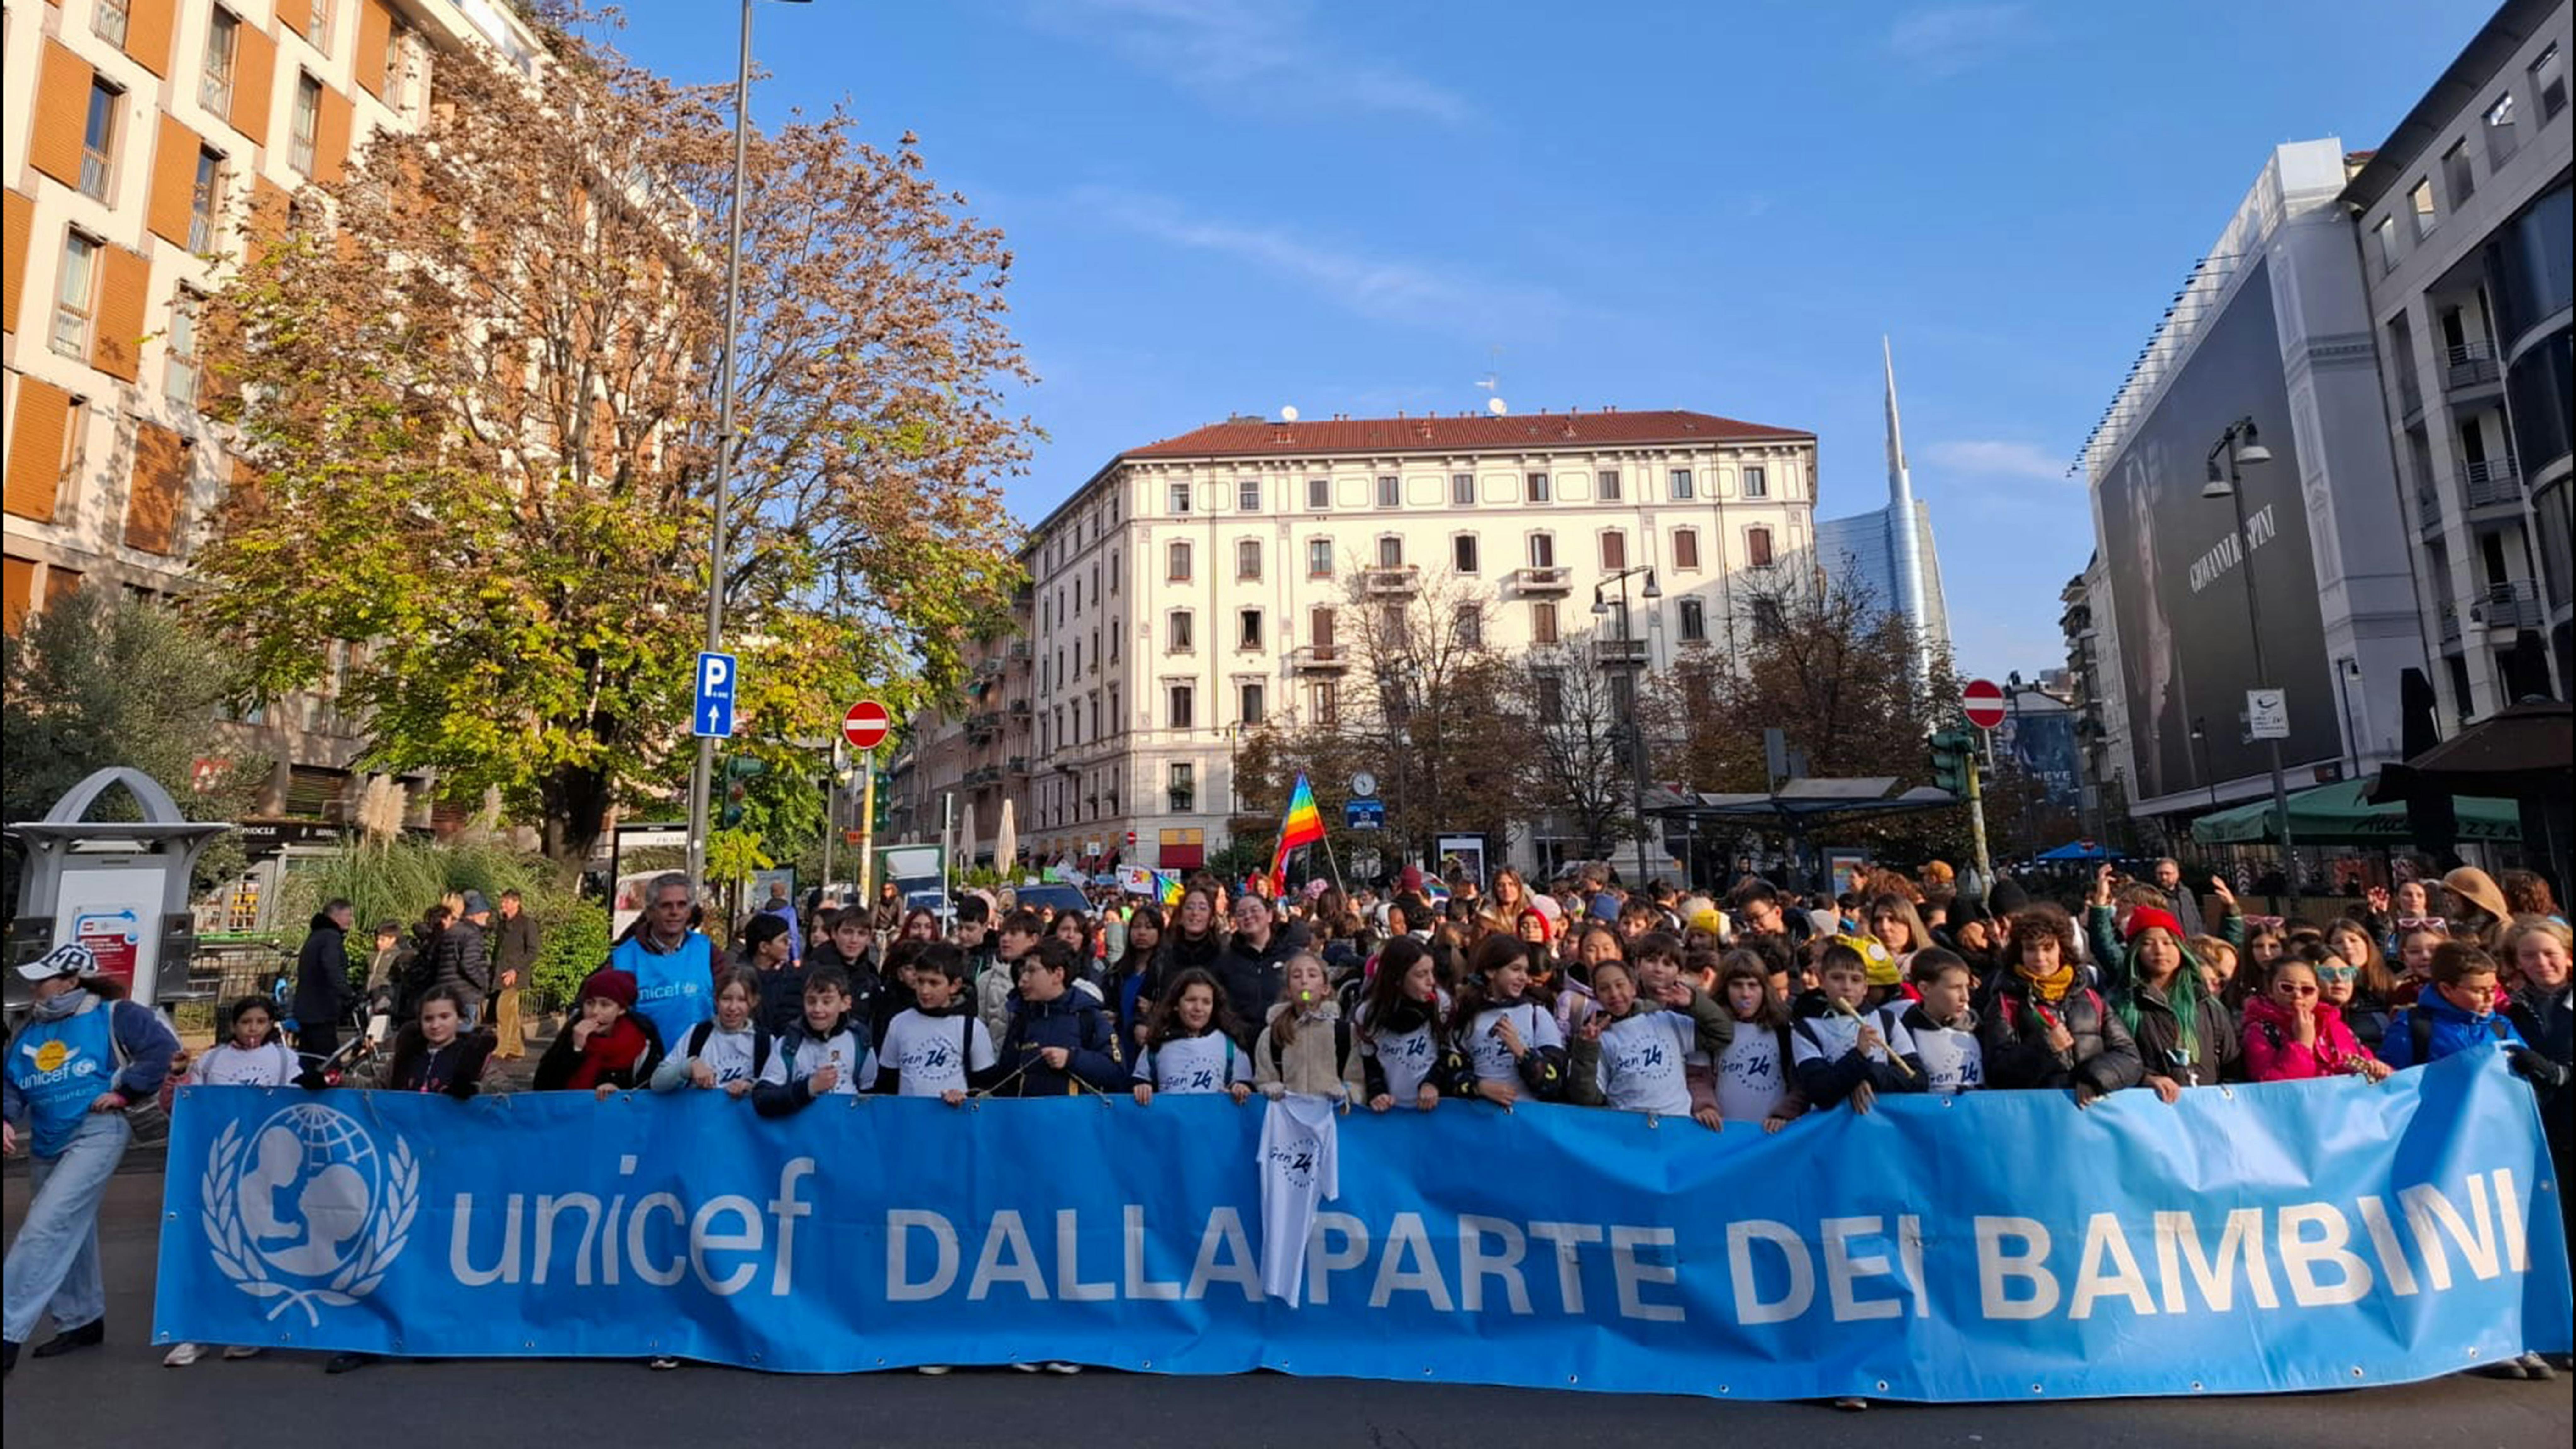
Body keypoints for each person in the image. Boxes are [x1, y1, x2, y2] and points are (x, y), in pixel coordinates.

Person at [3, 945, 181, 1374]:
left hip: (98, 1131)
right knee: (70, 1227)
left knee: (44, 1226)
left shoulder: (118, 1014)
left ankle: (7, 1330)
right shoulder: (32, 1027)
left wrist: (126, 1090)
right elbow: (11, 1080)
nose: (34, 987)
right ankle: (82, 1319)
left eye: (42, 979)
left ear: (71, 981)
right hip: (48, 1137)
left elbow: (163, 1051)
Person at [164, 997, 315, 1368]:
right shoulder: (212, 1060)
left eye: (261, 1021)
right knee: (203, 1247)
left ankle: (246, 1329)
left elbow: (296, 1108)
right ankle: (194, 1331)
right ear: (234, 1025)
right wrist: (177, 1076)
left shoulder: (283, 1059)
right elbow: (179, 1107)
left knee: (252, 1249)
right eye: (246, 1021)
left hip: (265, 1170)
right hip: (214, 1167)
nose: (253, 1029)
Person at [1979, 904, 2144, 1105]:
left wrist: (2095, 1079)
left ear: (2062, 949)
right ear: (2019, 953)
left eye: (2048, 948)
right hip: (2039, 1116)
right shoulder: (2006, 1003)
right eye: (2030, 949)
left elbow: (2130, 1057)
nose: (2040, 958)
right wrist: (2045, 1047)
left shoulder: (2092, 999)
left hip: (2094, 1115)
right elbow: (1997, 1073)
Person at [2092, 892, 2237, 1100]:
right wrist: (2145, 1079)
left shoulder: (2207, 1003)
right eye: (2148, 943)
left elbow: (2232, 1065)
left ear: (2180, 948)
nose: (2160, 950)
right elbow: (2111, 1062)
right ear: (2135, 951)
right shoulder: (2121, 1004)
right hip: (2149, 1114)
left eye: (2168, 942)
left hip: (2208, 1112)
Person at [1568, 956, 1728, 1126]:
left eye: (1620, 985)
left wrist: (1694, 1003)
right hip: (1629, 1132)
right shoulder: (1599, 1039)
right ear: (1596, 996)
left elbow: (1721, 1033)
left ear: (1633, 988)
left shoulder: (1666, 1021)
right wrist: (1586, 1049)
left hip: (1676, 1127)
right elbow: (1588, 1099)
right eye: (1604, 989)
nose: (1614, 994)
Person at [1790, 940, 1925, 1114]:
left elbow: (1919, 1080)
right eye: (1837, 978)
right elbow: (1820, 1091)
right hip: (1834, 1132)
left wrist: (1869, 1077)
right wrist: (1859, 1055)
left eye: (1856, 980)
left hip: (1883, 1129)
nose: (1847, 987)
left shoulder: (1887, 1020)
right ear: (1822, 982)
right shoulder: (1806, 1029)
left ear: (1865, 988)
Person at [995, 940, 1127, 1100]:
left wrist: (1072, 1059)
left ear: (1058, 975)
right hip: (1029, 1120)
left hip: (1076, 1119)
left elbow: (1117, 1071)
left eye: (1031, 971)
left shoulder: (1089, 1017)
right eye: (1024, 972)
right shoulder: (1022, 1018)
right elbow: (1005, 1079)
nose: (1023, 979)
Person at [1449, 934, 1568, 1107]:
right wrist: (1479, 1087)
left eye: (1526, 971)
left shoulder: (1537, 1015)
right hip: (1480, 1123)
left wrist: (1522, 1053)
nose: (1524, 978)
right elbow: (1451, 1075)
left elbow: (1556, 1085)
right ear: (1491, 971)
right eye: (1516, 969)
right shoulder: (1467, 1016)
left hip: (1529, 1123)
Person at [2240, 955, 2389, 1083]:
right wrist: (2302, 1045)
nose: (2298, 995)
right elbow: (2271, 1087)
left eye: (2307, 990)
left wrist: (2376, 1068)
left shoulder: (2335, 1026)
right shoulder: (2261, 1031)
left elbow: (2364, 1062)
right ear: (2270, 991)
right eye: (2287, 988)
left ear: (2318, 993)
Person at [877, 944, 998, 1103]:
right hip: (908, 1122)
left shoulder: (971, 1028)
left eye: (934, 983)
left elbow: (987, 1088)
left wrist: (966, 1097)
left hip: (954, 1122)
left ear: (954, 986)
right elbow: (886, 1084)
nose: (925, 991)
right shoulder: (900, 1024)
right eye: (920, 982)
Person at [611, 873, 716, 1051]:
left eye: (682, 905)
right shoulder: (623, 958)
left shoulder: (708, 951)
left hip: (701, 1067)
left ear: (689, 912)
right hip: (644, 1067)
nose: (675, 912)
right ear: (651, 912)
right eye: (666, 906)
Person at [753, 969, 880, 1116]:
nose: (818, 1009)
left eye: (827, 1002)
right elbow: (762, 1100)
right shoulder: (789, 1045)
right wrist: (809, 1088)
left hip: (846, 1133)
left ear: (845, 1003)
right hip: (803, 1134)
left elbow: (873, 1096)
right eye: (811, 1001)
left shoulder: (860, 1042)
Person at [1253, 953, 1365, 1107]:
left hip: (1332, 1124)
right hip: (1289, 1123)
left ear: (1325, 989)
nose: (1304, 981)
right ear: (1288, 991)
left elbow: (1359, 1083)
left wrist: (1347, 1091)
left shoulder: (1345, 1033)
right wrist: (1268, 1088)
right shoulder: (1272, 1035)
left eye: (1312, 975)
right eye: (1297, 976)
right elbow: (1262, 1081)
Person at [1708, 952, 1804, 1131]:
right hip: (1722, 1135)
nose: (1746, 994)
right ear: (1725, 989)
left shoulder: (1784, 1029)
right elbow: (1700, 1078)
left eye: (1753, 986)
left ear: (1764, 989)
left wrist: (1784, 1114)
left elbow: (1800, 1084)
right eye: (1737, 986)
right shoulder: (1712, 1030)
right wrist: (1706, 1107)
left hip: (1770, 1136)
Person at [1354, 937, 1451, 1113]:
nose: (1431, 982)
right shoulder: (1368, 1014)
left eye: (1432, 972)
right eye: (1421, 975)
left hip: (1435, 1111)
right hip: (1394, 1113)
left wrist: (1432, 1082)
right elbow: (1370, 1061)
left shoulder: (1441, 1004)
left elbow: (1449, 1052)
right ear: (1397, 978)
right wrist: (1378, 1092)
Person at [532, 969, 662, 1096]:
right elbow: (543, 1087)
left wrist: (620, 1092)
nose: (595, 1011)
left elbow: (649, 1090)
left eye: (605, 1005)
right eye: (590, 1003)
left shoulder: (641, 1040)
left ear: (621, 1010)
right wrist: (576, 1049)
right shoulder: (571, 1033)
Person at [1133, 967, 1253, 1105]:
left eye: (1206, 1002)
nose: (1198, 1008)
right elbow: (1141, 1082)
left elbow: (1245, 1085)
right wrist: (1143, 1088)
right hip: (1171, 1124)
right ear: (1176, 1005)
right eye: (1191, 1000)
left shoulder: (1230, 1045)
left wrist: (1240, 1088)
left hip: (1214, 1123)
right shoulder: (1157, 1044)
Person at [651, 965, 770, 1099]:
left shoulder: (765, 1042)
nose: (733, 1007)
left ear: (754, 1002)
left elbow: (778, 1086)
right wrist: (689, 1067)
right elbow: (657, 1082)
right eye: (726, 999)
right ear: (716, 999)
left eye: (742, 1000)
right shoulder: (698, 1034)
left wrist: (751, 1087)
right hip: (701, 1117)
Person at [1212, 894, 1298, 1048]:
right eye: (1241, 913)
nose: (1248, 917)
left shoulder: (1293, 957)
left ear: (1270, 915)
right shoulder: (1224, 961)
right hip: (1241, 1047)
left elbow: (1307, 994)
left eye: (1254, 910)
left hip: (1287, 1042)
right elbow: (1219, 1005)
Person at [381, 986, 491, 1098]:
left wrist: (475, 1090)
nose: (435, 1026)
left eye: (444, 1017)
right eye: (429, 1019)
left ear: (460, 1018)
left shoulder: (474, 1056)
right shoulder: (406, 1056)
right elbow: (376, 1085)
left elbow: (501, 1087)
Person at [1901, 949, 1984, 1096]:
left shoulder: (1978, 1028)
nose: (1965, 997)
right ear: (1925, 989)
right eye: (1955, 988)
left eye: (1967, 987)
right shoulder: (1904, 1034)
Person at [2320, 920, 2400, 1056]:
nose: (2347, 946)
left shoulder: (2392, 984)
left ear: (2367, 944)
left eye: (2353, 940)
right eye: (2339, 942)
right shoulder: (2329, 993)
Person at [291, 898, 355, 1062]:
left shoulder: (317, 936)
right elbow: (333, 970)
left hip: (308, 1008)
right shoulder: (331, 938)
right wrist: (349, 994)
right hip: (322, 1009)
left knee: (310, 1057)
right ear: (336, 916)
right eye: (348, 915)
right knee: (328, 1062)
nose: (350, 920)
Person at [429, 890, 495, 1027]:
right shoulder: (471, 934)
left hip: (446, 991)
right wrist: (484, 984)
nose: (487, 914)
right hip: (465, 993)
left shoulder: (450, 932)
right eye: (483, 911)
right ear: (473, 914)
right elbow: (469, 964)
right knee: (462, 1038)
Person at [489, 889, 540, 1062]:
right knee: (511, 1012)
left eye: (507, 902)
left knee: (503, 1010)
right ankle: (516, 1048)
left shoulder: (527, 924)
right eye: (503, 902)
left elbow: (533, 951)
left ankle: (501, 1049)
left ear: (517, 903)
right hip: (501, 972)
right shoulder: (503, 924)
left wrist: (515, 970)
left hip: (515, 975)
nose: (503, 905)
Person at [1110, 905, 1166, 1046]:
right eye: (1136, 927)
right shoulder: (1117, 972)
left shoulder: (1166, 971)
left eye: (1149, 928)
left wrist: (1154, 1011)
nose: (1142, 933)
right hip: (1120, 1047)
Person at [2150, 857, 2208, 938]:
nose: (2164, 878)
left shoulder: (2186, 893)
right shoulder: (2153, 896)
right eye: (2160, 874)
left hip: (2192, 941)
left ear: (2177, 874)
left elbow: (2196, 918)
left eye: (2168, 874)